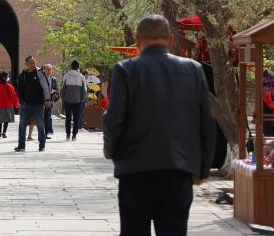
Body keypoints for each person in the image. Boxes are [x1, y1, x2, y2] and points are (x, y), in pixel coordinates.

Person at [103, 15, 215, 236]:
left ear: (137, 41)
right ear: (171, 40)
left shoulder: (125, 70)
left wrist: (112, 152)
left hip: (135, 170)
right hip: (178, 170)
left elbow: (114, 119)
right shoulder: (194, 70)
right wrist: (203, 169)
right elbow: (206, 123)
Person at [15, 55, 51, 151]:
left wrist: (47, 99)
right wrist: (20, 101)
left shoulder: (40, 73)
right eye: (31, 63)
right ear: (26, 64)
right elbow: (19, 90)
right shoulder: (22, 75)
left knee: (40, 125)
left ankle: (42, 145)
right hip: (25, 105)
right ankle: (21, 146)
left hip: (38, 105)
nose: (33, 64)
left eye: (34, 62)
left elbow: (45, 87)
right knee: (22, 125)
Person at [61, 60, 87, 141]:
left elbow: (62, 89)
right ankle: (74, 136)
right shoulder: (81, 77)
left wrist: (64, 98)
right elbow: (84, 90)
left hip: (67, 100)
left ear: (71, 66)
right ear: (78, 67)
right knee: (76, 119)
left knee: (68, 118)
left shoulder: (66, 75)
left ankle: (68, 135)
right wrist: (81, 99)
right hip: (78, 101)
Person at [0, 71, 18, 138]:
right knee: (6, 120)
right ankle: (4, 132)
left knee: (0, 120)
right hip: (8, 106)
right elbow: (13, 96)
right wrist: (16, 104)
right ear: (5, 78)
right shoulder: (9, 86)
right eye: (7, 76)